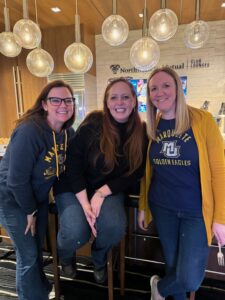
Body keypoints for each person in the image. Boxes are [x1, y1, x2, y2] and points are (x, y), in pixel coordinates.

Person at [138, 66, 225, 300]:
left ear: (178, 88)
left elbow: (219, 170)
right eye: (153, 88)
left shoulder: (202, 120)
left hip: (195, 212)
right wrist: (143, 206)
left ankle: (159, 289)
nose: (160, 92)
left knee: (190, 277)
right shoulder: (152, 125)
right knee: (173, 266)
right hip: (163, 207)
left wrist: (220, 218)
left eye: (166, 85)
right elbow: (149, 172)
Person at [54, 77, 148, 283]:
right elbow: (73, 165)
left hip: (107, 188)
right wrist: (86, 205)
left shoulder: (141, 132)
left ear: (134, 101)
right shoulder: (94, 123)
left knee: (114, 228)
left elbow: (136, 172)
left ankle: (99, 258)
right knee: (76, 232)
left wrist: (102, 192)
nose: (119, 102)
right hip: (73, 186)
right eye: (113, 97)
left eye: (125, 97)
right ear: (106, 102)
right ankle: (66, 256)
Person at [0, 80, 75, 300]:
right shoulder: (30, 131)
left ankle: (40, 292)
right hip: (11, 198)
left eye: (68, 100)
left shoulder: (67, 132)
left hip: (36, 199)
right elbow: (16, 181)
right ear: (44, 104)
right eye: (56, 100)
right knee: (29, 254)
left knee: (36, 251)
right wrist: (30, 211)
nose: (63, 105)